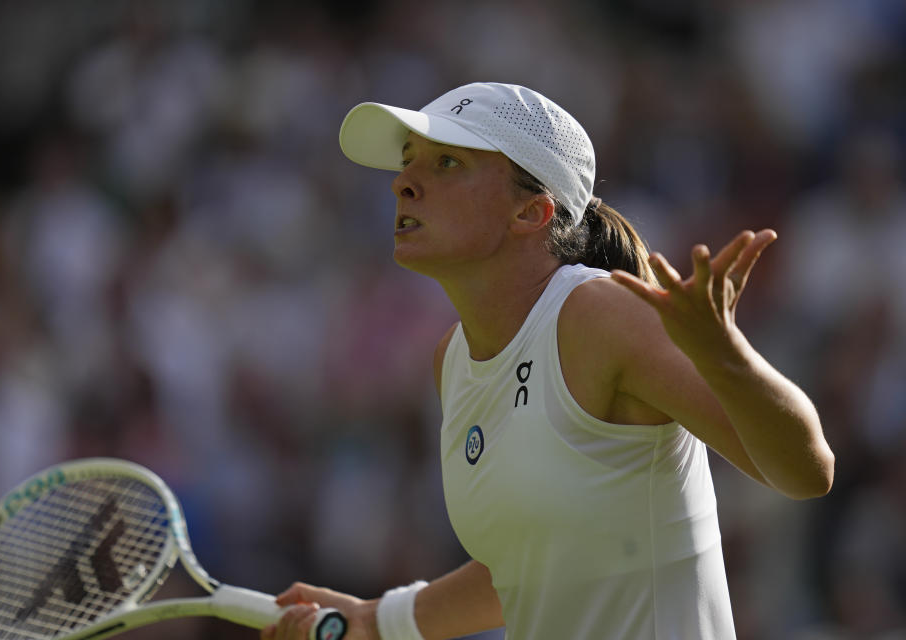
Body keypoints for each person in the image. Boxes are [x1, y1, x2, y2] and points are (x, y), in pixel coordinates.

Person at [261, 82, 835, 640]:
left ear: (531, 213)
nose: (402, 185)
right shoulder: (452, 360)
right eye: (409, 162)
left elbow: (806, 473)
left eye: (447, 165)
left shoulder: (601, 314)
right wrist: (375, 620)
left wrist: (728, 362)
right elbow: (531, 566)